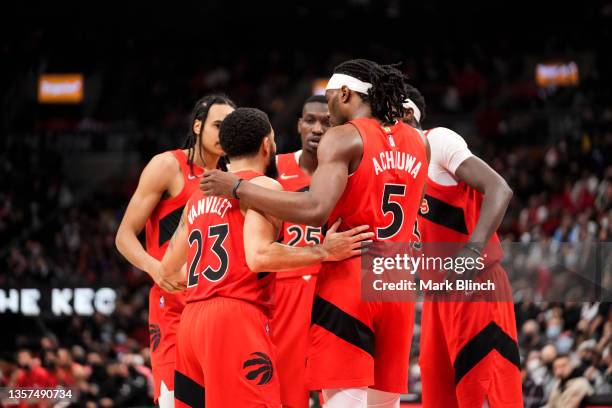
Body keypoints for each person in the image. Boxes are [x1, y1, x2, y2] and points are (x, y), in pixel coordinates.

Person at [200, 59, 429, 407]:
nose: (327, 112)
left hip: (350, 277)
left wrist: (237, 188)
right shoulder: (418, 142)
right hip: (396, 284)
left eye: (330, 98)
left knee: (344, 400)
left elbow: (315, 210)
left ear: (346, 93)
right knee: (385, 404)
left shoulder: (344, 136)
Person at [158, 107, 373, 407]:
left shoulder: (199, 196)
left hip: (192, 321)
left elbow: (168, 271)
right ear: (267, 144)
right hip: (235, 318)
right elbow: (259, 256)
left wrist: (211, 279)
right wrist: (323, 251)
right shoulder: (261, 187)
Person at [402, 84, 522, 407]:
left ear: (404, 115)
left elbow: (500, 189)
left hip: (475, 285)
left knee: (483, 394)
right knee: (439, 398)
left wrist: (471, 253)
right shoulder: (394, 168)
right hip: (435, 297)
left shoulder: (437, 141)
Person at [115, 95, 236, 407]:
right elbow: (124, 236)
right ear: (197, 125)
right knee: (174, 400)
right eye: (218, 126)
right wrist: (156, 269)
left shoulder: (234, 176)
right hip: (174, 307)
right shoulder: (168, 165)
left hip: (218, 307)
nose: (224, 135)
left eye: (230, 128)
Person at [273, 94, 330, 408]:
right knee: (287, 389)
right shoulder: (275, 167)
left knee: (333, 387)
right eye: (310, 120)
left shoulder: (346, 172)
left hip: (330, 285)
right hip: (285, 288)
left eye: (327, 122)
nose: (317, 129)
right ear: (299, 124)